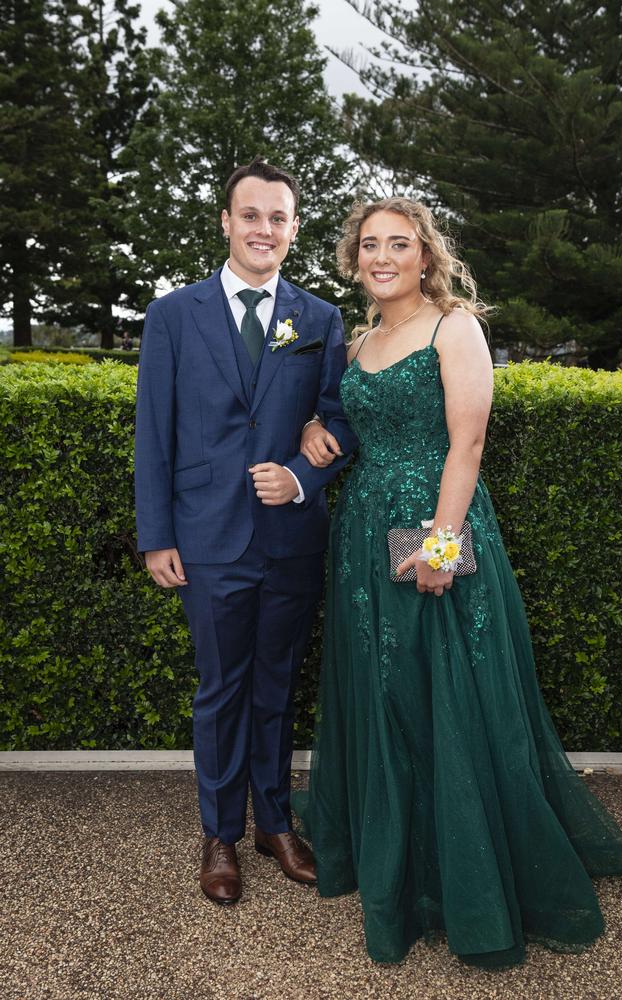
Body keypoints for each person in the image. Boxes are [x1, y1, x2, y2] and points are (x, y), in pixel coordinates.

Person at [296, 197, 622, 968]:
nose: (382, 256)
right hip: (363, 540)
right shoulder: (360, 343)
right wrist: (311, 432)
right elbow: (352, 428)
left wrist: (443, 550)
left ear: (425, 255)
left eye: (399, 243)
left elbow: (469, 441)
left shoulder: (455, 327)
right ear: (356, 260)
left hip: (435, 528)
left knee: (447, 696)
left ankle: (470, 880)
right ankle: (401, 860)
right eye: (368, 245)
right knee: (388, 695)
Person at [134, 157, 356, 905]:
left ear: (294, 230)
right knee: (220, 689)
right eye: (251, 215)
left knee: (276, 689)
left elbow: (340, 419)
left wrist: (302, 472)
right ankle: (220, 835)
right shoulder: (173, 314)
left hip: (290, 536)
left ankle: (275, 824)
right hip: (206, 537)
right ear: (226, 222)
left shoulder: (321, 320)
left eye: (278, 217)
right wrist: (156, 534)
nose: (264, 228)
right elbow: (154, 433)